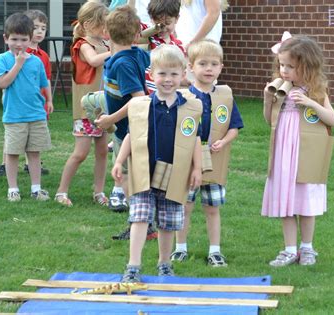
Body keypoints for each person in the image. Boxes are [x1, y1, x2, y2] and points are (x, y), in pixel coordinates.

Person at [112, 44, 202, 282]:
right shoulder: (142, 106)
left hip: (175, 174)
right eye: (162, 73)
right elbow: (132, 135)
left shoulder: (190, 108)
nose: (168, 79)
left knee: (167, 223)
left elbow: (195, 140)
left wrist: (198, 169)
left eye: (174, 74)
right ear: (151, 74)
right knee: (139, 217)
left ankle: (164, 263)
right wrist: (119, 161)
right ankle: (133, 266)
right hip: (144, 173)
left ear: (183, 74)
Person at [262, 33, 334, 266]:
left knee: (305, 199)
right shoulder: (280, 88)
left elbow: (332, 119)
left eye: (290, 66)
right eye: (281, 65)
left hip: (305, 152)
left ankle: (307, 248)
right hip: (284, 150)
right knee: (286, 198)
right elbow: (269, 121)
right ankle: (289, 249)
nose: (284, 71)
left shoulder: (316, 90)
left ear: (307, 67)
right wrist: (268, 100)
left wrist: (312, 103)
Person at [170, 39, 243, 267]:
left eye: (214, 64)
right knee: (185, 206)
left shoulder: (225, 97)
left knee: (212, 208)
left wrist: (224, 141)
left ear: (221, 67)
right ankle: (180, 248)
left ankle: (215, 251)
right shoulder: (183, 98)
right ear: (191, 67)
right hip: (188, 162)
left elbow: (234, 127)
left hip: (215, 160)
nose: (209, 68)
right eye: (203, 63)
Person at [54, 1, 111, 207]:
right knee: (81, 153)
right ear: (87, 24)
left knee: (103, 151)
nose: (106, 29)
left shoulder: (105, 44)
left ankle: (99, 191)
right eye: (102, 24)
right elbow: (94, 61)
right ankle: (61, 192)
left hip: (104, 108)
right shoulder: (82, 44)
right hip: (86, 110)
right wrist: (116, 51)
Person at [94, 5, 150, 212]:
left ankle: (137, 214)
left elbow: (139, 99)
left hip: (127, 128)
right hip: (123, 123)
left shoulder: (123, 64)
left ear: (105, 33)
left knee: (125, 171)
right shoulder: (136, 54)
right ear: (136, 36)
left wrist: (110, 120)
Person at [0, 12, 53, 202]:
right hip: (14, 116)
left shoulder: (36, 61)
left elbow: (44, 83)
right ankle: (13, 188)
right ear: (6, 39)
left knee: (34, 152)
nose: (19, 44)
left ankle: (36, 189)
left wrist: (49, 101)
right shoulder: (3, 60)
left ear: (30, 40)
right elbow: (3, 83)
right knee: (12, 154)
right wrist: (18, 64)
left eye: (23, 39)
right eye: (14, 39)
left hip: (36, 113)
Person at [141, 0, 184, 93]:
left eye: (167, 23)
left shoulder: (178, 46)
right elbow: (131, 25)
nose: (163, 28)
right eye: (158, 25)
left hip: (168, 96)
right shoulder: (148, 36)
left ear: (177, 18)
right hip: (146, 95)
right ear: (151, 19)